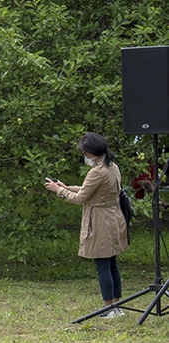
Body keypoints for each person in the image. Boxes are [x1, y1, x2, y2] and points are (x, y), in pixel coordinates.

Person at [45, 132, 129, 318]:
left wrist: (59, 191)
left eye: (84, 153)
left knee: (102, 265)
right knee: (112, 264)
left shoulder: (97, 172)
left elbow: (80, 198)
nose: (85, 157)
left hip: (100, 221)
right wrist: (67, 187)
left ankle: (108, 308)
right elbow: (90, 191)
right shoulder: (112, 166)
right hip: (113, 217)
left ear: (91, 152)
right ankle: (116, 305)